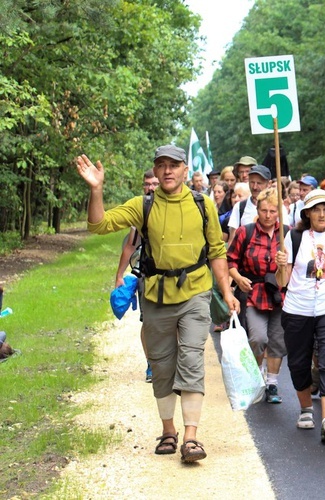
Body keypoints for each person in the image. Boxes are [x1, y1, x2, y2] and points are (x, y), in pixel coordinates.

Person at [75, 144, 240, 463]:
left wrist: (226, 289)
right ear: (156, 169)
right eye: (161, 164)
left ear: (183, 169)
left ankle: (191, 438)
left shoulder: (203, 204)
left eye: (174, 165)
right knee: (162, 365)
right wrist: (96, 190)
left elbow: (217, 251)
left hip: (195, 292)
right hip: (155, 295)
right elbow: (98, 225)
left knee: (192, 359)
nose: (167, 170)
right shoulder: (143, 205)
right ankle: (169, 431)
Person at [274, 189, 325, 442]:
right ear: (307, 213)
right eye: (316, 210)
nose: (322, 214)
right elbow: (283, 281)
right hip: (297, 308)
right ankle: (306, 408)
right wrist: (280, 265)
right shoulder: (293, 237)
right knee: (298, 363)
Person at [226, 188, 287, 404]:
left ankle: (272, 384)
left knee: (278, 341)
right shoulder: (246, 232)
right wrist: (238, 277)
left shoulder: (287, 234)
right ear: (258, 210)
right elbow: (230, 260)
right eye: (264, 210)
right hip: (254, 291)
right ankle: (257, 371)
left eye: (272, 211)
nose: (268, 215)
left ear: (278, 212)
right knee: (258, 338)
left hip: (280, 293)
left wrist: (283, 265)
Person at [114, 169, 159, 383]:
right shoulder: (140, 211)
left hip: (174, 276)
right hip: (146, 275)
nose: (150, 188)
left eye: (155, 184)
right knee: (148, 321)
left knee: (173, 321)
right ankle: (151, 363)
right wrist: (119, 275)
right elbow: (130, 246)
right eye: (147, 184)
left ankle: (170, 361)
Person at [227, 165, 272, 245]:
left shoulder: (277, 208)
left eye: (259, 183)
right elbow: (232, 240)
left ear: (269, 184)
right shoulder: (240, 207)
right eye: (252, 182)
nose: (255, 187)